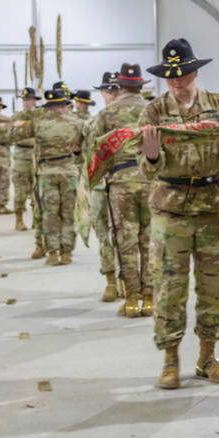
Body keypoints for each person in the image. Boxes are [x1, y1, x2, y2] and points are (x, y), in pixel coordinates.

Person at [139, 39, 219, 390]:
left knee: (214, 286)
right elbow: (145, 169)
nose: (178, 82)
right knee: (169, 286)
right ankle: (170, 359)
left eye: (183, 75)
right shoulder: (154, 111)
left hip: (211, 206)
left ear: (194, 71)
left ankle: (208, 357)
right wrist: (150, 154)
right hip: (171, 208)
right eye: (171, 76)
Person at [91, 64, 154, 318]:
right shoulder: (153, 110)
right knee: (149, 240)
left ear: (120, 86)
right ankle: (150, 298)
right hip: (150, 180)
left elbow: (98, 149)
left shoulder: (108, 112)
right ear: (141, 86)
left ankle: (131, 299)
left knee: (125, 242)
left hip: (119, 183)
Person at [11, 84, 85, 265]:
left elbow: (14, 135)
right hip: (68, 171)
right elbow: (88, 148)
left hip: (46, 172)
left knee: (49, 214)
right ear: (64, 105)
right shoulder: (78, 123)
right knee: (68, 214)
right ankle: (66, 252)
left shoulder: (38, 122)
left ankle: (52, 252)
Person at [89, 73, 123, 301]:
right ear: (102, 93)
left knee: (129, 235)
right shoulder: (95, 121)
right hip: (101, 187)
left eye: (115, 90)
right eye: (107, 91)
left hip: (126, 185)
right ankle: (110, 280)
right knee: (104, 235)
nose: (111, 95)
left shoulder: (135, 119)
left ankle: (128, 281)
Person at [10, 88, 40, 233]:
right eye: (24, 100)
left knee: (38, 190)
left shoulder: (41, 115)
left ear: (35, 100)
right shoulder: (17, 116)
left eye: (29, 100)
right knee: (20, 190)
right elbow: (12, 135)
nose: (26, 103)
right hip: (21, 156)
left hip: (37, 155)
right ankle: (19, 219)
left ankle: (37, 219)